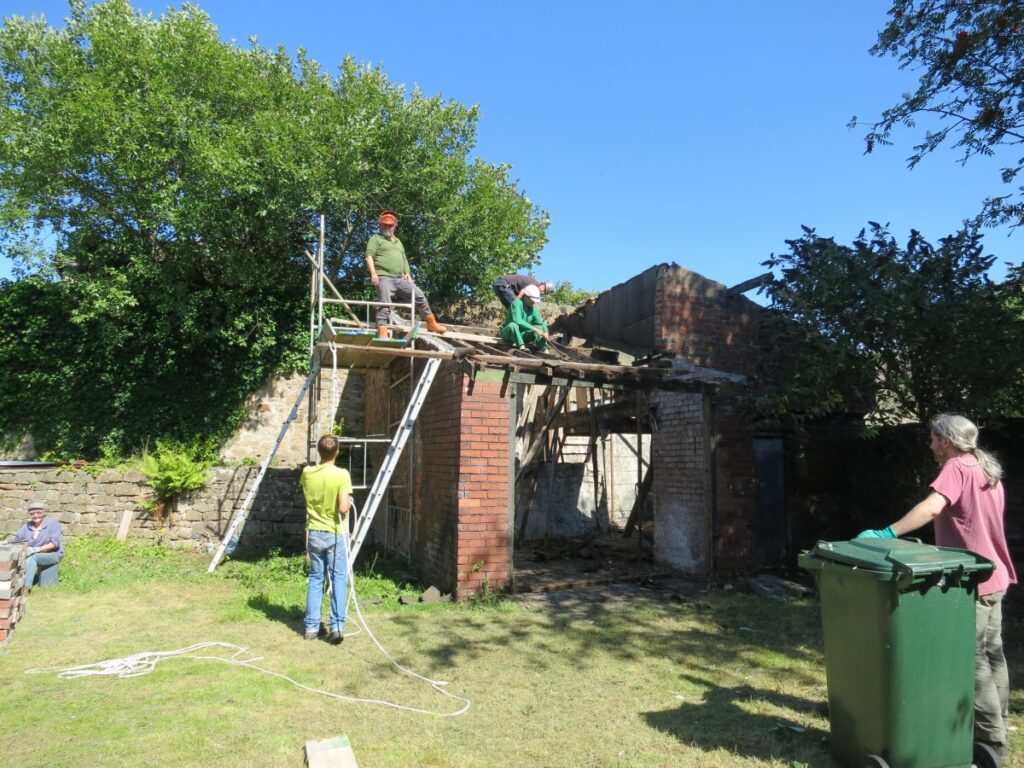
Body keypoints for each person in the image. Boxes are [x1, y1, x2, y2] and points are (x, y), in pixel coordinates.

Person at [858, 414, 1016, 764]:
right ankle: (999, 728)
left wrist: (887, 533)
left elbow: (932, 507)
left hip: (972, 578)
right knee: (993, 653)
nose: (930, 446)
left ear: (946, 440)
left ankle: (991, 742)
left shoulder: (958, 467)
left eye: (933, 439)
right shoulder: (986, 468)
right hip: (996, 575)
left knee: (971, 658)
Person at [299, 435, 353, 644]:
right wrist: (349, 501)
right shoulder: (342, 475)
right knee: (338, 578)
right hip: (335, 533)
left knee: (315, 578)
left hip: (314, 532)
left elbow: (309, 486)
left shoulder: (307, 472)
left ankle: (311, 628)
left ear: (319, 452)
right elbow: (342, 508)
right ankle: (337, 627)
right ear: (337, 452)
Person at [364, 210, 446, 339]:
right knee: (385, 303)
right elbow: (369, 256)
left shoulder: (398, 242)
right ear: (380, 224)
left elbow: (404, 259)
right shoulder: (376, 239)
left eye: (390, 225)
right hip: (384, 277)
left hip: (400, 278)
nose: (387, 227)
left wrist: (407, 273)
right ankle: (382, 332)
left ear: (395, 225)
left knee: (419, 295)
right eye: (384, 225)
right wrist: (373, 273)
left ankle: (432, 324)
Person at [11, 500, 64, 590]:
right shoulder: (27, 527)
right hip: (34, 554)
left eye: (39, 513)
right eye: (32, 513)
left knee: (33, 557)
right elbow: (16, 540)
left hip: (52, 554)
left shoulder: (52, 523)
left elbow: (54, 544)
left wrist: (35, 549)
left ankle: (25, 588)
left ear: (43, 513)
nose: (36, 516)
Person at [500, 283, 549, 352]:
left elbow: (541, 323)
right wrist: (534, 329)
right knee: (513, 325)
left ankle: (544, 349)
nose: (533, 302)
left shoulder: (533, 309)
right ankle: (521, 347)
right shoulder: (517, 303)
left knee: (541, 327)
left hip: (524, 335)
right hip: (509, 335)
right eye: (532, 300)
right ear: (526, 296)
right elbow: (518, 320)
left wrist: (546, 332)